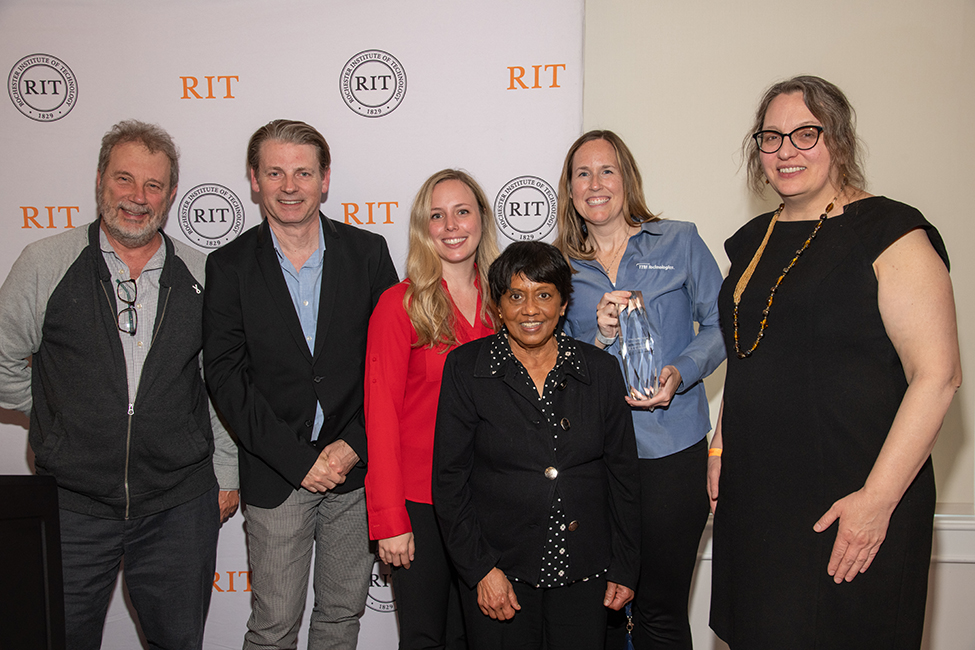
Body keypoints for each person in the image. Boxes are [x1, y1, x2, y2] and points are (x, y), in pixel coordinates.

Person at [707, 75, 962, 649]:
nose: (786, 150)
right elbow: (749, 356)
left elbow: (939, 376)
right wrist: (721, 447)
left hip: (853, 499)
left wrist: (877, 501)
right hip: (758, 503)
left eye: (805, 133)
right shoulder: (749, 240)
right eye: (771, 137)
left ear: (839, 139)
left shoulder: (892, 232)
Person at [0, 119, 239, 650]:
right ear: (100, 182)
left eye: (153, 185)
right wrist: (57, 416)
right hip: (71, 506)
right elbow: (3, 360)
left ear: (172, 194)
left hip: (179, 505)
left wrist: (226, 472)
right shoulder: (45, 263)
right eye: (124, 180)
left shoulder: (204, 274)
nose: (138, 197)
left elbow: (220, 387)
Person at [203, 119, 398, 649]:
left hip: (355, 474)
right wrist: (298, 460)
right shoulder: (229, 266)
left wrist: (352, 447)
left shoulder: (368, 253)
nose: (289, 186)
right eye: (275, 172)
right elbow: (225, 376)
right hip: (276, 474)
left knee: (341, 619)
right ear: (254, 179)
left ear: (324, 179)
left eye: (303, 172)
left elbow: (390, 365)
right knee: (273, 628)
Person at [554, 130, 724, 649]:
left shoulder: (679, 239)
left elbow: (723, 327)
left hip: (671, 451)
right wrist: (597, 336)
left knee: (660, 610)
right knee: (596, 610)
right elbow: (550, 364)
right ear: (570, 188)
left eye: (607, 170)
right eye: (583, 173)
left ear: (626, 179)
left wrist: (681, 371)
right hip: (593, 457)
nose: (596, 184)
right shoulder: (557, 266)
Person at [432, 241, 640, 650]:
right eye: (516, 296)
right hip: (501, 575)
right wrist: (480, 570)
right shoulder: (466, 368)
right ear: (498, 304)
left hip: (586, 572)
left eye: (544, 295)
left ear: (563, 304)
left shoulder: (599, 370)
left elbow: (624, 477)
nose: (530, 310)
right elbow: (449, 481)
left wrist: (625, 566)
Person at [365, 169, 500, 648]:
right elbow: (378, 417)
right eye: (436, 216)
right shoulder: (399, 305)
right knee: (426, 637)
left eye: (462, 211)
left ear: (482, 218)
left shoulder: (506, 304)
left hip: (490, 501)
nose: (451, 225)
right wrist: (390, 518)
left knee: (484, 636)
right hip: (420, 503)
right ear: (424, 227)